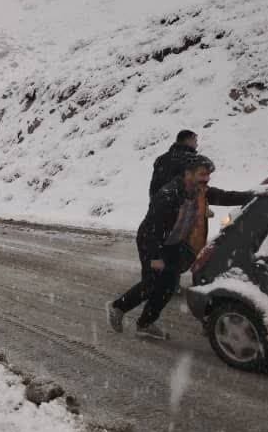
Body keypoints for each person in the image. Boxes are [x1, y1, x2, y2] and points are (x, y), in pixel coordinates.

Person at [107, 154, 253, 340]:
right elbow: (153, 230)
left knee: (168, 286)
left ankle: (145, 324)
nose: (206, 178)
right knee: (153, 283)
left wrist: (253, 195)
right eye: (202, 174)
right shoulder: (168, 195)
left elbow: (225, 196)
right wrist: (155, 258)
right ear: (188, 174)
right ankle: (118, 308)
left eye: (208, 175)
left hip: (174, 242)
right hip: (152, 242)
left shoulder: (200, 191)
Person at [149, 130, 198, 197]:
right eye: (195, 141)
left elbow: (154, 187)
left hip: (159, 203)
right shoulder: (190, 159)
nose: (197, 145)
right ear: (188, 141)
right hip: (181, 204)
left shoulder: (161, 159)